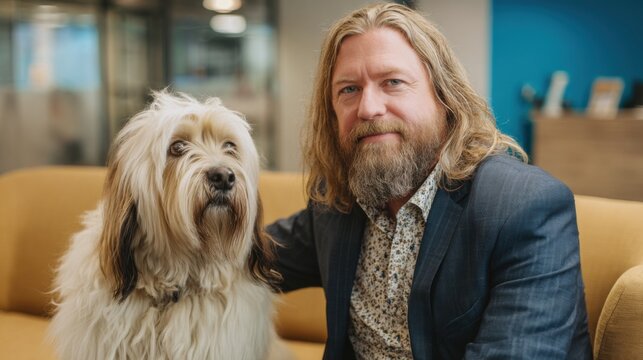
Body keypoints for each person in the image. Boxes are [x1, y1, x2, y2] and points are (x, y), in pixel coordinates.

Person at [267, 3, 592, 359]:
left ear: (444, 98)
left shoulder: (525, 206)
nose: (368, 108)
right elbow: (242, 259)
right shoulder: (340, 201)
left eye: (393, 82)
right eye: (348, 90)